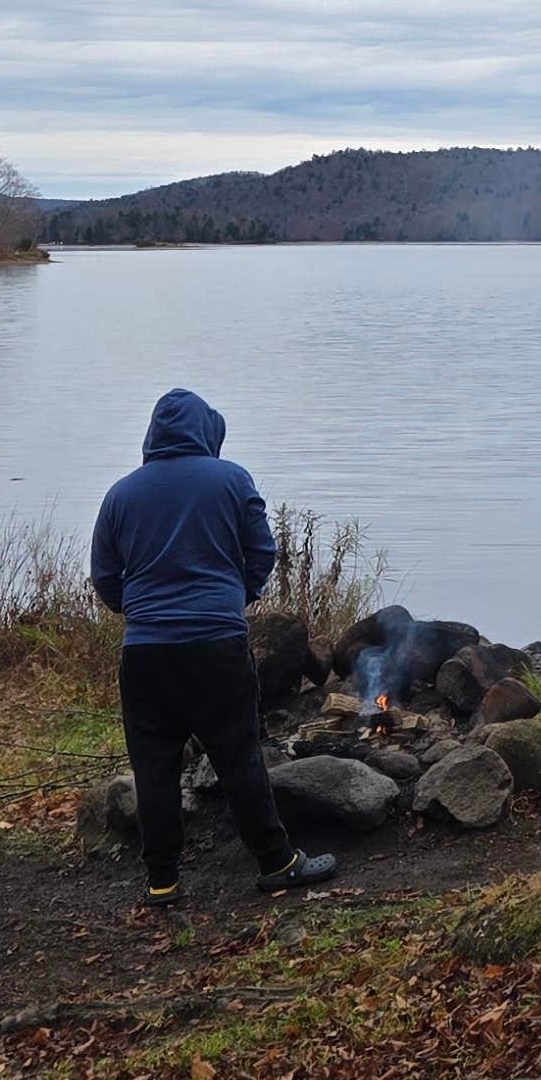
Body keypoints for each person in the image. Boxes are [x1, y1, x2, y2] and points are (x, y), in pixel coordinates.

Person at [89, 387, 337, 907]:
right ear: (208, 431)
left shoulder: (120, 495)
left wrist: (143, 612)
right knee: (238, 757)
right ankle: (277, 863)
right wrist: (234, 597)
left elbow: (106, 579)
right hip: (216, 646)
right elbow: (261, 554)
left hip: (146, 654)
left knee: (154, 767)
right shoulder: (232, 481)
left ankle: (162, 881)